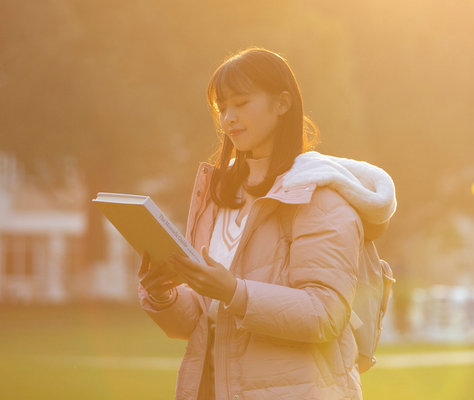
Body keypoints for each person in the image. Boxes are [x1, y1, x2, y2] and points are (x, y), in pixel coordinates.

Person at [137, 47, 396, 400]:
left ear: (282, 104)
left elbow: (325, 314)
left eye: (241, 103)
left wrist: (233, 291)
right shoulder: (220, 194)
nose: (229, 117)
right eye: (222, 107)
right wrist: (163, 293)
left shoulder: (320, 197)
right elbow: (203, 321)